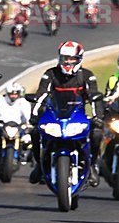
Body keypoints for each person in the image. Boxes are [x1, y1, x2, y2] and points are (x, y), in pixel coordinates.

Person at [29, 41, 105, 186]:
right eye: (65, 58)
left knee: (97, 133)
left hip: (77, 116)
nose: (68, 62)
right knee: (34, 132)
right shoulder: (50, 74)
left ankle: (93, 166)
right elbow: (41, 94)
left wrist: (98, 117)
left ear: (79, 59)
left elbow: (94, 97)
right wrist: (34, 116)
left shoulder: (87, 75)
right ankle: (39, 164)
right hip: (54, 115)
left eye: (72, 59)